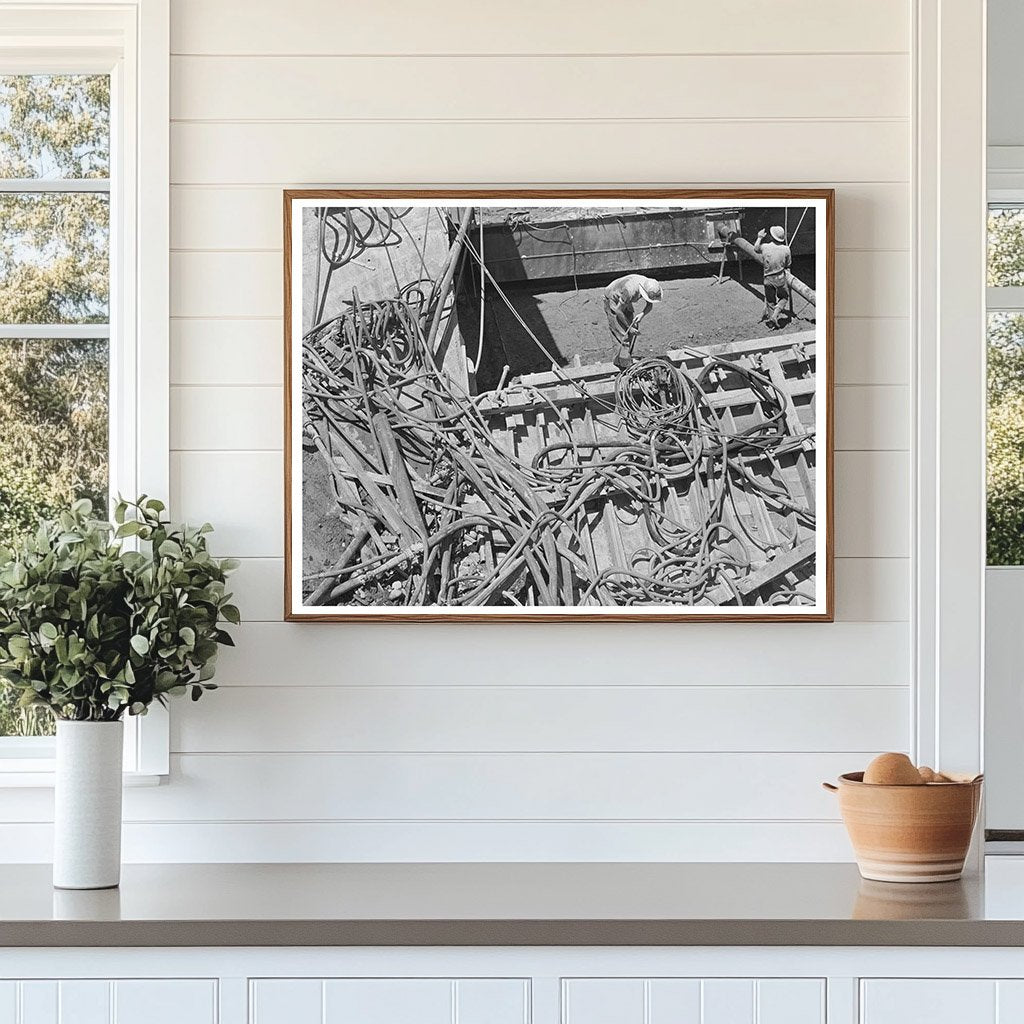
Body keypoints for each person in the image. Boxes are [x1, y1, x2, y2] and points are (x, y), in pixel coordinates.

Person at [603, 274, 663, 369]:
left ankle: (626, 358)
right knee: (621, 333)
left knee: (631, 328)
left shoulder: (650, 285)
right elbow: (618, 310)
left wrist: (642, 314)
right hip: (613, 298)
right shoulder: (629, 290)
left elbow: (649, 305)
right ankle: (621, 364)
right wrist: (629, 327)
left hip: (625, 299)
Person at [754, 225, 792, 329]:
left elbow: (756, 248)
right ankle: (775, 315)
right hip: (779, 278)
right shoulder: (786, 249)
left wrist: (760, 237)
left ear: (771, 236)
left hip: (767, 279)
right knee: (784, 297)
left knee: (770, 300)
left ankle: (771, 322)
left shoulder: (765, 246)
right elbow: (788, 264)